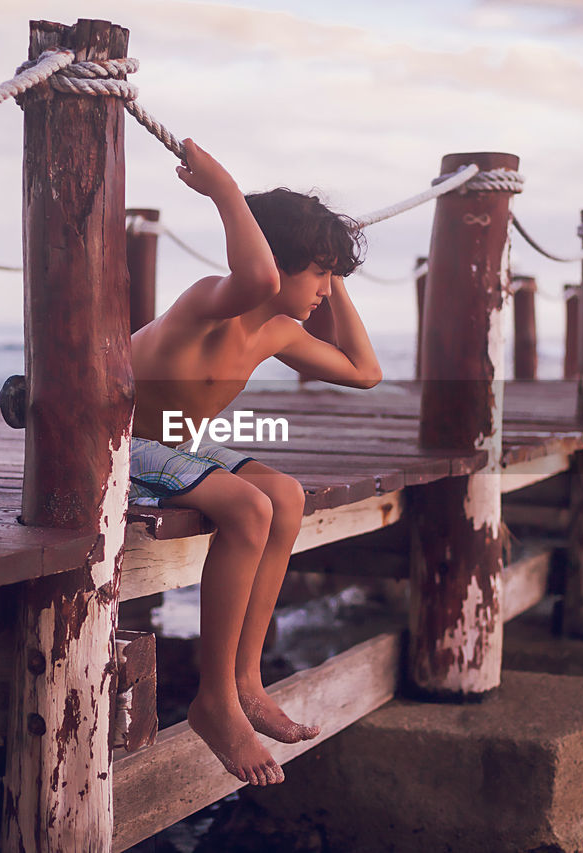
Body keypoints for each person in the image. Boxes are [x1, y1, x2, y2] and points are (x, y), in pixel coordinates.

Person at [130, 139, 382, 786]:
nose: (324, 290)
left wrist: (337, 271)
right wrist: (225, 192)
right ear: (278, 261)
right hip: (118, 440)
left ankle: (245, 678)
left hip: (178, 442)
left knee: (287, 496)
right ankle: (213, 697)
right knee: (248, 507)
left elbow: (365, 371)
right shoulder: (208, 303)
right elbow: (260, 278)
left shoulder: (278, 331)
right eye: (319, 274)